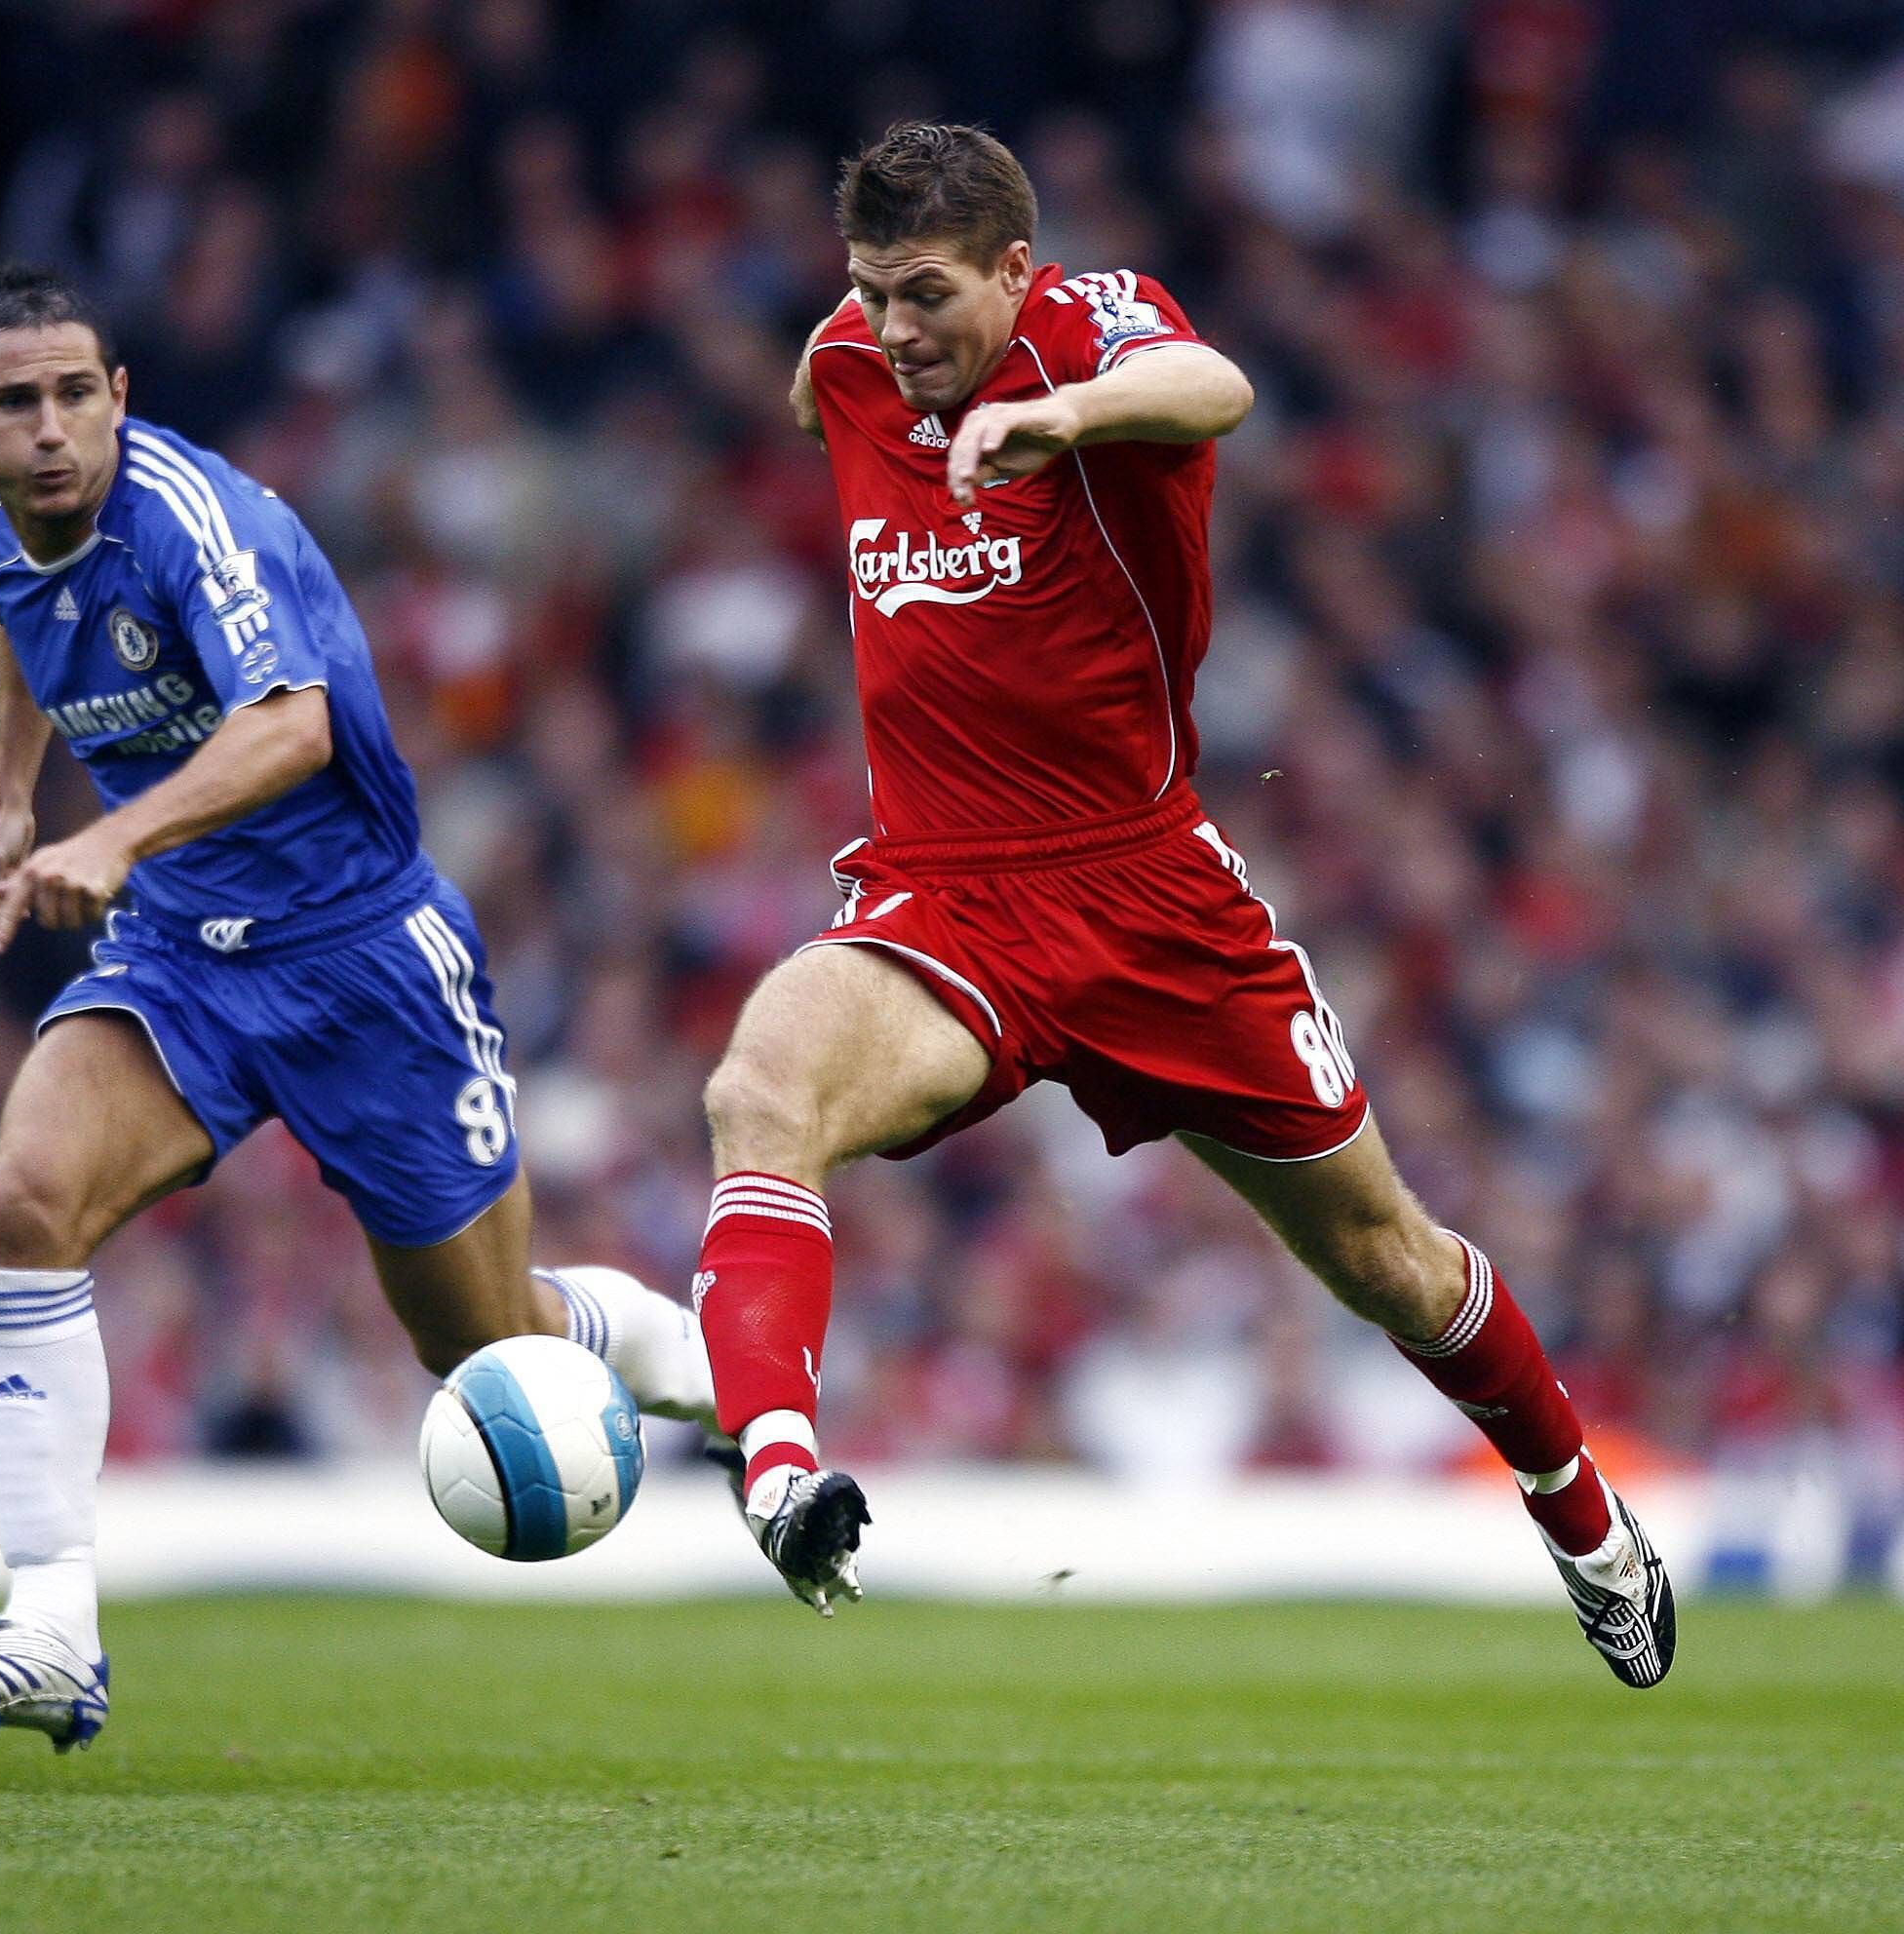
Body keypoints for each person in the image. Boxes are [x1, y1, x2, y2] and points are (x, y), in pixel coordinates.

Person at [693, 124, 1673, 1686]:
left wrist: (1065, 417)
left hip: (1150, 902)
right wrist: (860, 344)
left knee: (1389, 1262)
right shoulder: (852, 361)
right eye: (871, 291)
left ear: (1018, 271)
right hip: (944, 897)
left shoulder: (1096, 335)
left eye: (928, 293)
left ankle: (1584, 1515)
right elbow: (826, 386)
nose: (895, 328)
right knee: (762, 1090)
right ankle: (780, 1475)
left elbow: (1218, 387)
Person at [0, 265, 714, 1750]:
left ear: (120, 397)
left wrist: (109, 834)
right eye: (15, 403)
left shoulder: (196, 522)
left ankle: (687, 1360)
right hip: (183, 956)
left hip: (364, 958)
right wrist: (10, 793)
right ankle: (50, 1622)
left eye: (76, 393)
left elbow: (292, 727)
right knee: (22, 1201)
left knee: (484, 1348)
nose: (51, 428)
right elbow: (20, 609)